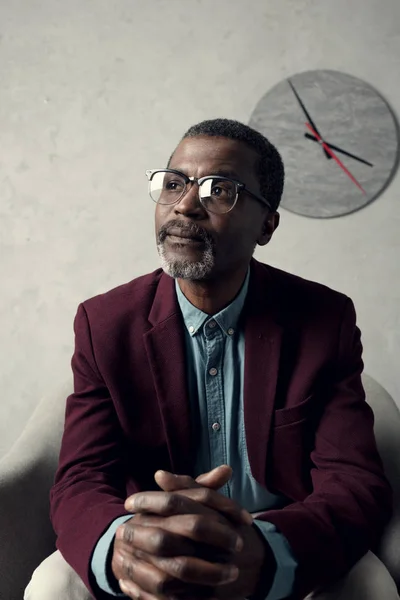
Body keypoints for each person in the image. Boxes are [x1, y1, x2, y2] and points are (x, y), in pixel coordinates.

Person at [24, 119, 396, 600]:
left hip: (278, 531)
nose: (185, 204)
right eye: (174, 183)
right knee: (51, 585)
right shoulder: (104, 323)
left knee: (372, 585)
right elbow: (81, 476)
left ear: (267, 225)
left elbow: (353, 481)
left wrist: (264, 550)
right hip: (149, 529)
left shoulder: (325, 321)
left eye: (220, 189)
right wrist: (119, 546)